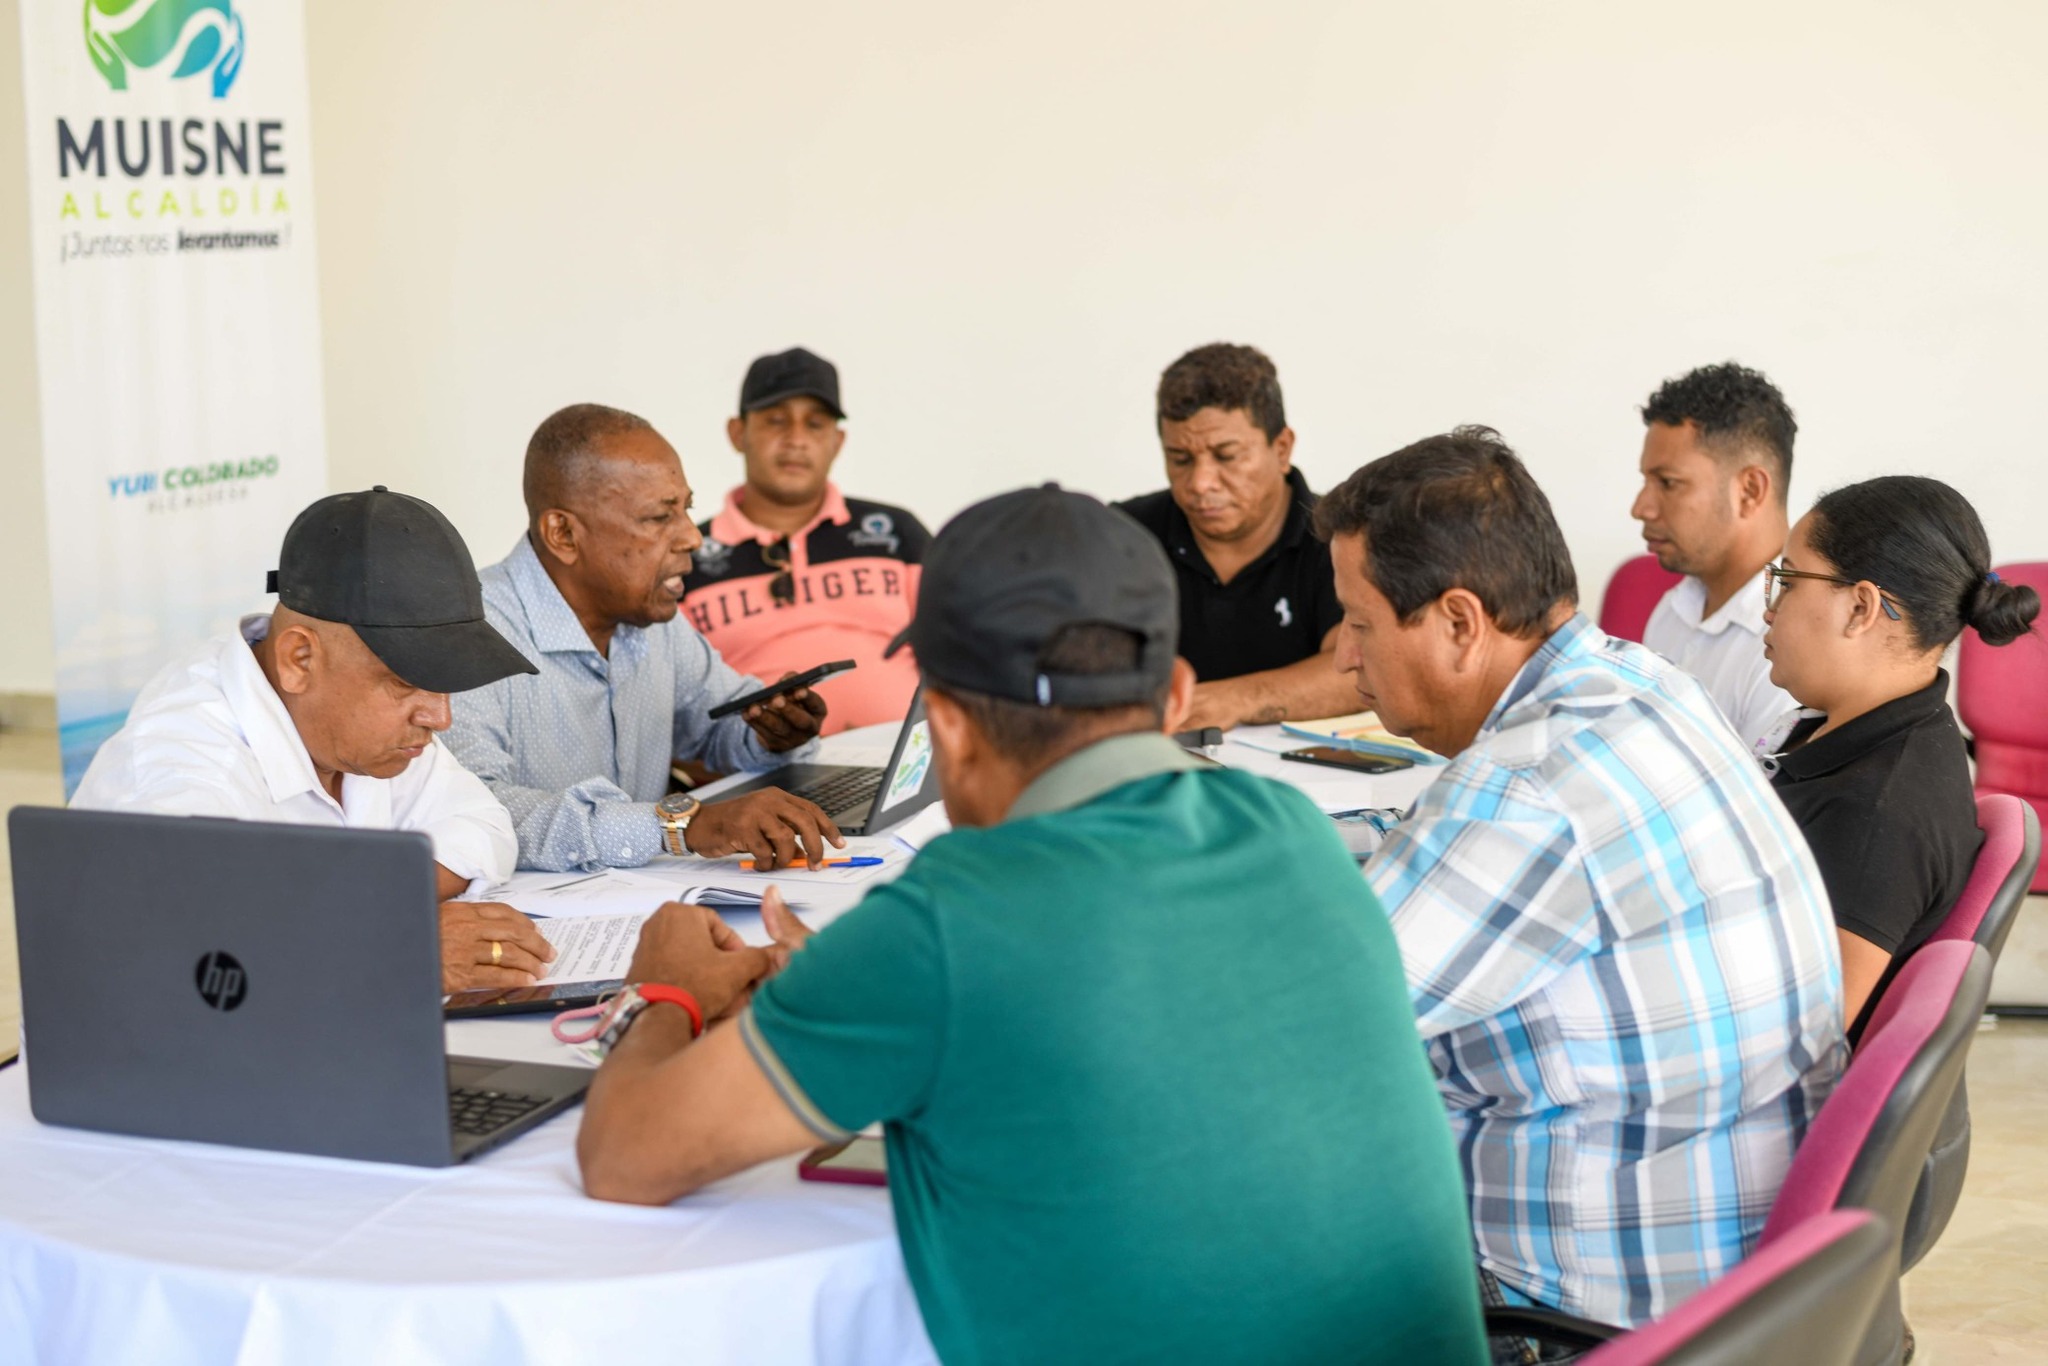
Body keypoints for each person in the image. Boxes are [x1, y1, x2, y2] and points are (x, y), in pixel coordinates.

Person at [573, 486, 1491, 1366]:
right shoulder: (1294, 832)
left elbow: (624, 1157)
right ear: (1176, 695)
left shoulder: (946, 925)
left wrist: (665, 991)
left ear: (945, 725)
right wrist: (856, 987)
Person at [1319, 428, 1843, 1347]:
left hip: (1576, 1316)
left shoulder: (1522, 791)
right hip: (1736, 1272)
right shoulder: (1639, 683)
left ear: (1459, 623)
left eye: (1359, 623)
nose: (1344, 659)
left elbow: (1292, 1029)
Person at [72, 488, 559, 993]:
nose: (440, 717)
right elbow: (189, 970)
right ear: (299, 660)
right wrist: (392, 943)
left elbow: (483, 825)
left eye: (445, 683)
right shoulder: (181, 770)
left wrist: (352, 912)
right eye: (405, 681)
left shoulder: (365, 729)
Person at [445, 403, 845, 874]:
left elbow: (718, 724)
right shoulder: (467, 633)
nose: (692, 538)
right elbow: (477, 811)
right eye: (659, 517)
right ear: (563, 534)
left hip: (649, 896)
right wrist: (682, 826)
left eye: (686, 510)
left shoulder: (651, 618)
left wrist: (772, 735)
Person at [1760, 475, 2040, 1032]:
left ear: (1860, 607)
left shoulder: (1873, 813)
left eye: (1787, 581)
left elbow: (1799, 1037)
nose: (1769, 609)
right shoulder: (1864, 731)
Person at [680, 347, 930, 734]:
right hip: (759, 767)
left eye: (814, 424)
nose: (796, 439)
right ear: (738, 433)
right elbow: (672, 704)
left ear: (837, 441)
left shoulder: (896, 533)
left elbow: (963, 649)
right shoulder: (686, 553)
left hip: (905, 760)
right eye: (776, 421)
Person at [1117, 343, 1357, 729]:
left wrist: (1235, 700)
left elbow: (1359, 669)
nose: (1200, 483)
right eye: (1180, 459)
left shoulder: (1343, 539)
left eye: (1226, 456)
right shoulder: (1124, 535)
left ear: (1282, 449)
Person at [1631, 362, 1799, 748]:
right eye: (1646, 481)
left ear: (1749, 491)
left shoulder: (1798, 641)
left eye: (1668, 483)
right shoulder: (1673, 609)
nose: (1641, 508)